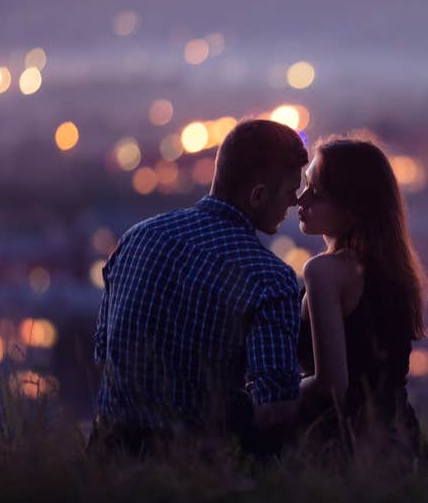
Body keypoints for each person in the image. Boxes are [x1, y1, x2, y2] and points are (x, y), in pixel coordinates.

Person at [91, 119, 307, 457]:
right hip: (200, 467)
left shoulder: (137, 237)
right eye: (290, 192)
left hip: (109, 456)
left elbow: (104, 354)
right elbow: (275, 411)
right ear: (258, 196)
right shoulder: (269, 278)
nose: (294, 203)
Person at [294, 135, 428, 463]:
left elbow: (332, 386)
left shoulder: (323, 271)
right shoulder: (392, 272)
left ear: (353, 209)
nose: (302, 197)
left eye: (318, 192)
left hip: (347, 448)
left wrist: (272, 399)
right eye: (305, 184)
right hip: (402, 441)